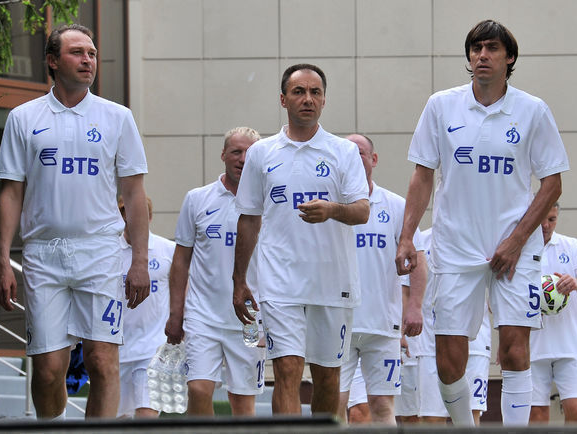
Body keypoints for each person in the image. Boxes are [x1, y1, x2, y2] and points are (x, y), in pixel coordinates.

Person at [395, 19, 569, 426]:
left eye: (492, 48)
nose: (482, 56)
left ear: (510, 58)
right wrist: (407, 237)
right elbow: (422, 175)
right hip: (456, 246)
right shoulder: (441, 106)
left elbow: (553, 184)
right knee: (447, 361)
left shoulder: (533, 110)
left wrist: (517, 240)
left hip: (515, 249)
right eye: (476, 49)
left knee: (514, 351)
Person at [0, 24, 150, 419]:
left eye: (92, 53)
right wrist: (2, 259)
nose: (88, 60)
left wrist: (139, 260)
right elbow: (11, 192)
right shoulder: (23, 118)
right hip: (43, 254)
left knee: (102, 360)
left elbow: (134, 194)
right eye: (77, 52)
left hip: (100, 252)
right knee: (49, 371)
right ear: (52, 61)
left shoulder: (117, 117)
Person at [232, 64, 370, 416]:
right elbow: (248, 219)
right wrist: (239, 281)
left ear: (324, 100)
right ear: (283, 100)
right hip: (280, 283)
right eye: (298, 92)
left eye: (315, 92)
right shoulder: (262, 153)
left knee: (327, 378)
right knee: (287, 370)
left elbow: (362, 211)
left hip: (332, 283)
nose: (307, 99)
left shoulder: (343, 151)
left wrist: (332, 210)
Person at [165, 127, 265, 416]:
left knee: (242, 402)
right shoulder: (197, 199)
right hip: (202, 317)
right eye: (236, 152)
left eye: (250, 153)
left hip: (249, 320)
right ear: (223, 155)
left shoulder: (269, 201)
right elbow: (181, 260)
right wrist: (176, 314)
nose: (243, 159)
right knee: (198, 389)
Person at [336, 134, 424, 425]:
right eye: (348, 153)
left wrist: (414, 306)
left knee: (383, 405)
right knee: (334, 403)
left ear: (374, 159)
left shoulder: (396, 206)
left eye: (360, 152)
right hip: (338, 324)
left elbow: (417, 259)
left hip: (383, 326)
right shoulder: (330, 206)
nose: (354, 158)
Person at [529, 203, 577, 424]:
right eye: (541, 219)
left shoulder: (572, 246)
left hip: (571, 344)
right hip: (533, 345)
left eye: (551, 219)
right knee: (536, 415)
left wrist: (576, 283)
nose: (545, 225)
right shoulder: (520, 248)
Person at [416, 229, 492, 425]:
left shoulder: (482, 236)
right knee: (432, 418)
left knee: (471, 415)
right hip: (431, 341)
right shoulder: (422, 240)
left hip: (475, 341)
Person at [117, 197, 176, 418]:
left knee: (146, 417)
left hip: (154, 349)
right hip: (116, 352)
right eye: (125, 214)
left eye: (138, 214)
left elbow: (185, 293)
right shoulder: (108, 252)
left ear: (149, 218)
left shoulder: (168, 250)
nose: (130, 219)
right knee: (118, 421)